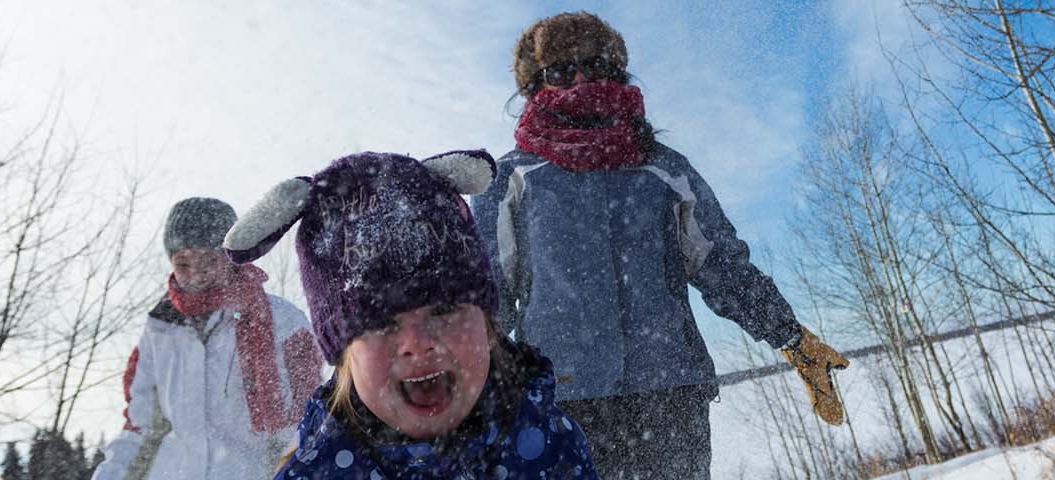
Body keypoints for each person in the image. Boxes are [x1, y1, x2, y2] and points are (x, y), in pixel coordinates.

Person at [470, 11, 849, 478]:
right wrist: (459, 388)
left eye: (597, 66)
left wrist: (791, 337)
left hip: (671, 397)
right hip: (564, 404)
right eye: (562, 71)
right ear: (535, 87)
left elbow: (723, 266)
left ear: (619, 73)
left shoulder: (664, 170)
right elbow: (484, 303)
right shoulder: (510, 179)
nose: (582, 80)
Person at [223, 150, 598, 479]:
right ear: (344, 357)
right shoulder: (315, 472)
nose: (417, 344)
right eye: (381, 323)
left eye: (445, 309)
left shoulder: (552, 444)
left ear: (487, 325)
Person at [93, 198, 326, 480]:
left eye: (208, 260)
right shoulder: (160, 328)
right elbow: (138, 429)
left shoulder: (285, 323)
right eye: (183, 263)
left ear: (231, 257)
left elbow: (308, 429)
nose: (195, 274)